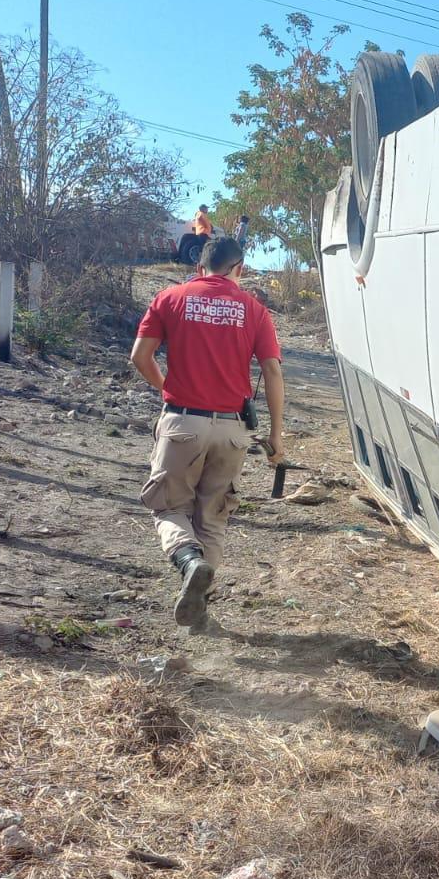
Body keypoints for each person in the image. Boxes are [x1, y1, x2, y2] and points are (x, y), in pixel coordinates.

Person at [130, 236, 286, 630]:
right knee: (213, 518)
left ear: (199, 268)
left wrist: (167, 387)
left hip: (183, 420)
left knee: (168, 507)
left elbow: (140, 356)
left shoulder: (170, 298)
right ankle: (201, 612)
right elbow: (272, 371)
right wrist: (276, 436)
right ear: (240, 269)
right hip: (234, 431)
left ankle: (187, 560)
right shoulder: (256, 311)